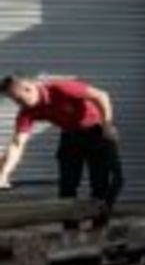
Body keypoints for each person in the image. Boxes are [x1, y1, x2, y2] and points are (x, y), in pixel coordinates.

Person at [0, 74, 124, 208]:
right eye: (14, 101)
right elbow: (17, 143)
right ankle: (70, 228)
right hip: (70, 134)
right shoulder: (27, 112)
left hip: (95, 131)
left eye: (19, 99)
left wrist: (107, 124)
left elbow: (101, 95)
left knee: (102, 182)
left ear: (28, 88)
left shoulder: (60, 88)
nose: (18, 104)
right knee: (67, 184)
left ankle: (99, 225)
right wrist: (4, 174)